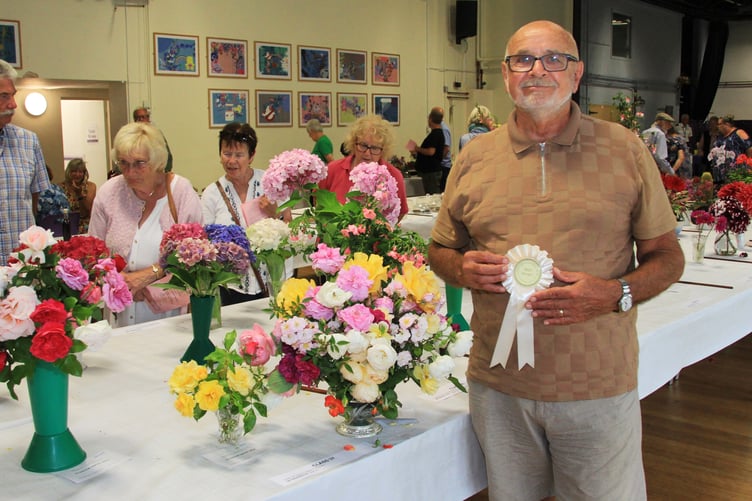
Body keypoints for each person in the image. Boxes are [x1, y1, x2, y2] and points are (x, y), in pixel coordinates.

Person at [428, 20, 684, 500]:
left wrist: (615, 293)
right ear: (505, 75)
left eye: (554, 59)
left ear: (577, 73)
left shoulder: (625, 150)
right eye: (523, 59)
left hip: (596, 384)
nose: (538, 70)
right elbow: (441, 249)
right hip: (499, 386)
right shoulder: (473, 158)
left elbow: (667, 257)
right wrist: (460, 269)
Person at [89, 122, 202, 327]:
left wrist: (148, 276)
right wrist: (116, 281)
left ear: (157, 160)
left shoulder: (181, 193)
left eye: (139, 163)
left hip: (169, 318)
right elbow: (91, 253)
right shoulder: (108, 193)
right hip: (118, 316)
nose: (130, 171)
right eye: (123, 163)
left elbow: (197, 256)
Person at [201, 122, 290, 305]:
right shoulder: (212, 193)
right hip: (230, 284)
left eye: (239, 155)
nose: (231, 161)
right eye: (226, 154)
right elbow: (204, 239)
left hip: (272, 281)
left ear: (252, 156)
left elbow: (291, 229)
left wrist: (275, 213)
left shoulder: (270, 183)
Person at [0, 59, 51, 265]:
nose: (13, 104)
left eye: (13, 95)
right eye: (4, 96)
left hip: (20, 271)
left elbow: (35, 202)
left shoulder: (28, 141)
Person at [319, 114, 409, 220]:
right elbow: (320, 208)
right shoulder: (332, 169)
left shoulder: (393, 176)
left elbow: (400, 212)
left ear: (383, 150)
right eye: (363, 145)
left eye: (375, 148)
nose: (367, 153)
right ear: (353, 143)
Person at [408, 108, 445, 194]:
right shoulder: (437, 134)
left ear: (430, 119)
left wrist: (417, 148)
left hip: (431, 173)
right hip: (430, 171)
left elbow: (430, 152)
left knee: (432, 195)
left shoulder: (435, 134)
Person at [711, 115, 752, 183]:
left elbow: (750, 149)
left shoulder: (739, 133)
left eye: (719, 124)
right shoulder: (720, 136)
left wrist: (750, 165)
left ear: (726, 124)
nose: (717, 127)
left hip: (736, 170)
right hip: (720, 174)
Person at [61, 158, 96, 233]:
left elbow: (87, 211)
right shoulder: (61, 187)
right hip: (66, 222)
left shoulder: (90, 186)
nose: (77, 174)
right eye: (74, 171)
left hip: (84, 224)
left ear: (84, 173)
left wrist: (79, 194)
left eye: (80, 172)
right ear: (69, 172)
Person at [133, 106, 173, 172]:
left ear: (148, 118)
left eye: (143, 117)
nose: (140, 120)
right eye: (138, 118)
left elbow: (167, 155)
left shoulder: (157, 134)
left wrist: (166, 172)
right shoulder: (131, 136)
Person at [437, 106, 452, 192]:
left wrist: (438, 159)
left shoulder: (444, 129)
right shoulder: (439, 128)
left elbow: (446, 148)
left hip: (444, 166)